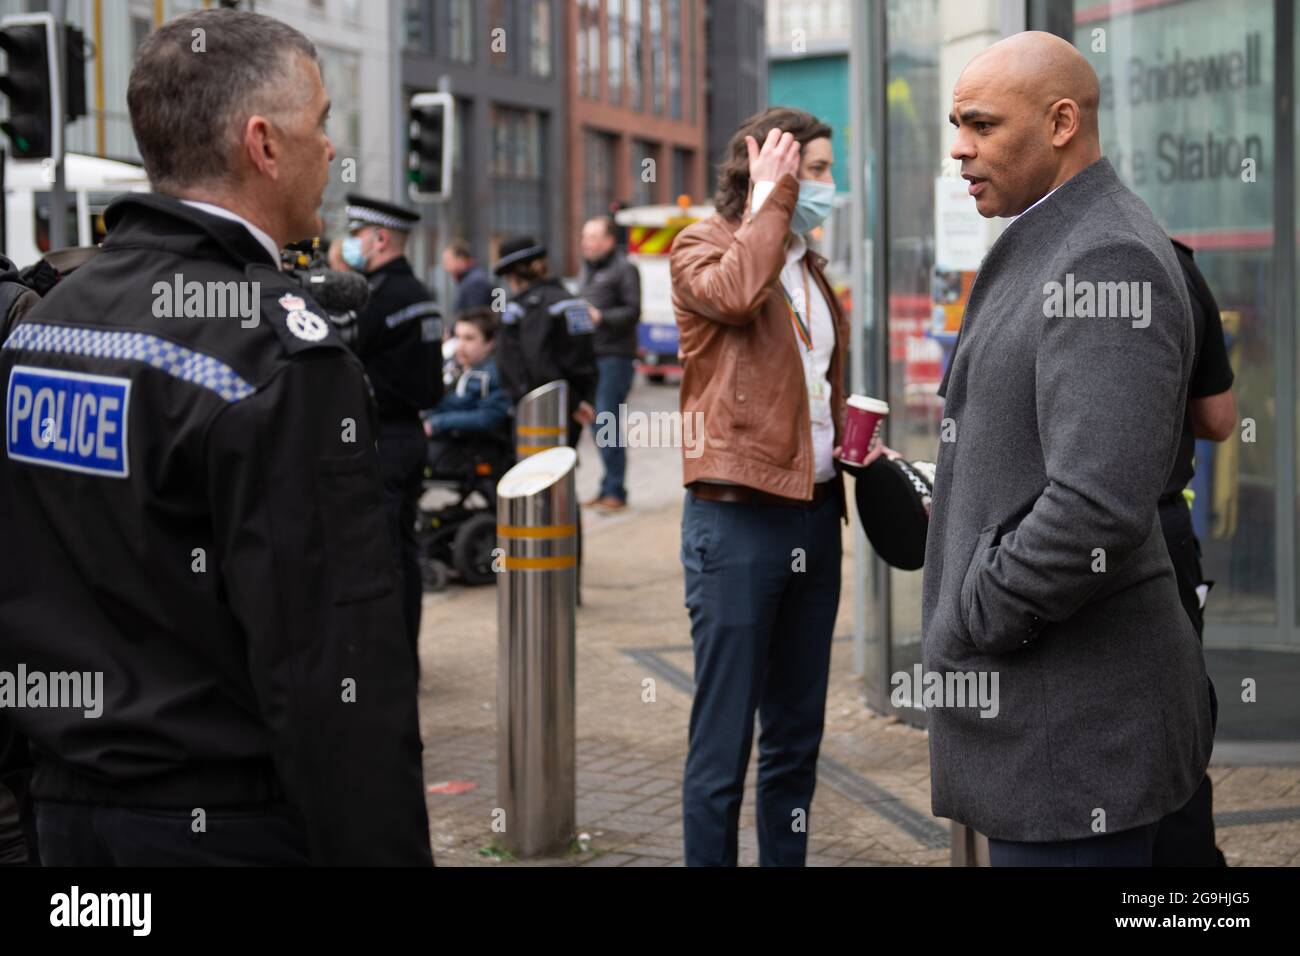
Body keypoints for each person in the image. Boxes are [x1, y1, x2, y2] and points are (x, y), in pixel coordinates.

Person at [0, 8, 432, 866]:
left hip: (65, 822)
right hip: (219, 829)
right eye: (322, 124)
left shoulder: (46, 323)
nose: (330, 151)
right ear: (263, 144)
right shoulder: (279, 354)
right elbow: (332, 677)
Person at [925, 31, 1212, 866]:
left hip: (1076, 735)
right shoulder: (1056, 233)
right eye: (955, 123)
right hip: (1054, 726)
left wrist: (977, 605)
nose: (959, 147)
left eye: (980, 124)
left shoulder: (1106, 252)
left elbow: (1097, 503)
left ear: (1060, 123)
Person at [670, 108, 878, 867]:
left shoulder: (810, 270)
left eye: (824, 170)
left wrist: (853, 440)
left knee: (795, 736)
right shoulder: (703, 246)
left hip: (816, 517)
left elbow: (813, 383)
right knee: (724, 742)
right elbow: (732, 298)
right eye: (813, 169)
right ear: (763, 168)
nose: (825, 185)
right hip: (738, 523)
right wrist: (770, 202)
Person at [1152, 239, 1236, 867]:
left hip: (1058, 539)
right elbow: (1219, 418)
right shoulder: (1174, 262)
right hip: (1164, 537)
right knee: (1172, 740)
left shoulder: (1038, 258)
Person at [342, 194, 442, 664]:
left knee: (380, 556)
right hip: (412, 437)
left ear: (380, 239)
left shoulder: (374, 299)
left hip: (380, 439)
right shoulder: (423, 296)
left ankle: (386, 664)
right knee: (405, 550)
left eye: (358, 234)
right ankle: (407, 658)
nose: (353, 243)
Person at [492, 235, 596, 446]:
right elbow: (588, 358)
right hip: (570, 406)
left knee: (538, 473)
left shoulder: (526, 307)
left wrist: (572, 404)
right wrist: (582, 401)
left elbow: (537, 361)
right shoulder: (569, 299)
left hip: (540, 407)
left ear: (515, 275)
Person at [579, 216, 642, 513]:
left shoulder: (624, 269)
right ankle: (607, 486)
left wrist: (601, 317)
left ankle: (616, 490)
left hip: (615, 358)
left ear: (608, 240)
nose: (585, 243)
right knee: (596, 422)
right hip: (592, 357)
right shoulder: (588, 270)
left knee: (607, 421)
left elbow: (632, 311)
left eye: (592, 237)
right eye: (584, 237)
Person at [424, 307, 512, 473]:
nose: (460, 345)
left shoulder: (493, 375)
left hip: (471, 450)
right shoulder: (454, 367)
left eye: (469, 338)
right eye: (457, 337)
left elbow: (488, 418)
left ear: (490, 342)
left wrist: (436, 423)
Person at [443, 239, 495, 313]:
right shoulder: (469, 279)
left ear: (460, 259)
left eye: (447, 260)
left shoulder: (475, 282)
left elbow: (474, 317)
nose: (445, 266)